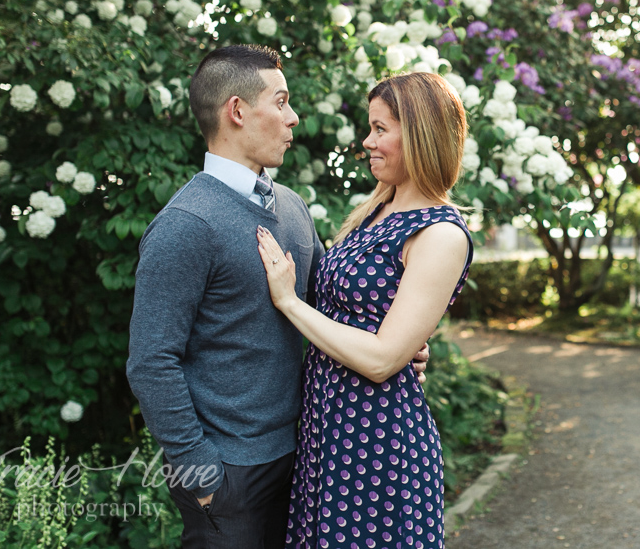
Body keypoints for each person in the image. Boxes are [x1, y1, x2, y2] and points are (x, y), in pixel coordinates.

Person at [126, 44, 429, 548]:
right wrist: (200, 474)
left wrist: (398, 343)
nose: (293, 118)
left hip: (310, 456)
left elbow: (325, 307)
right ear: (238, 112)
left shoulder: (291, 206)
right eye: (281, 101)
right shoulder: (185, 224)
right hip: (229, 474)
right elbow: (151, 362)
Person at [255, 71, 474, 549]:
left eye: (380, 129)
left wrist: (289, 301)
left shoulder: (440, 234)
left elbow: (379, 360)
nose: (367, 141)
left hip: (377, 445)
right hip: (327, 430)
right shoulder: (376, 210)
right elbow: (367, 320)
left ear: (418, 135)